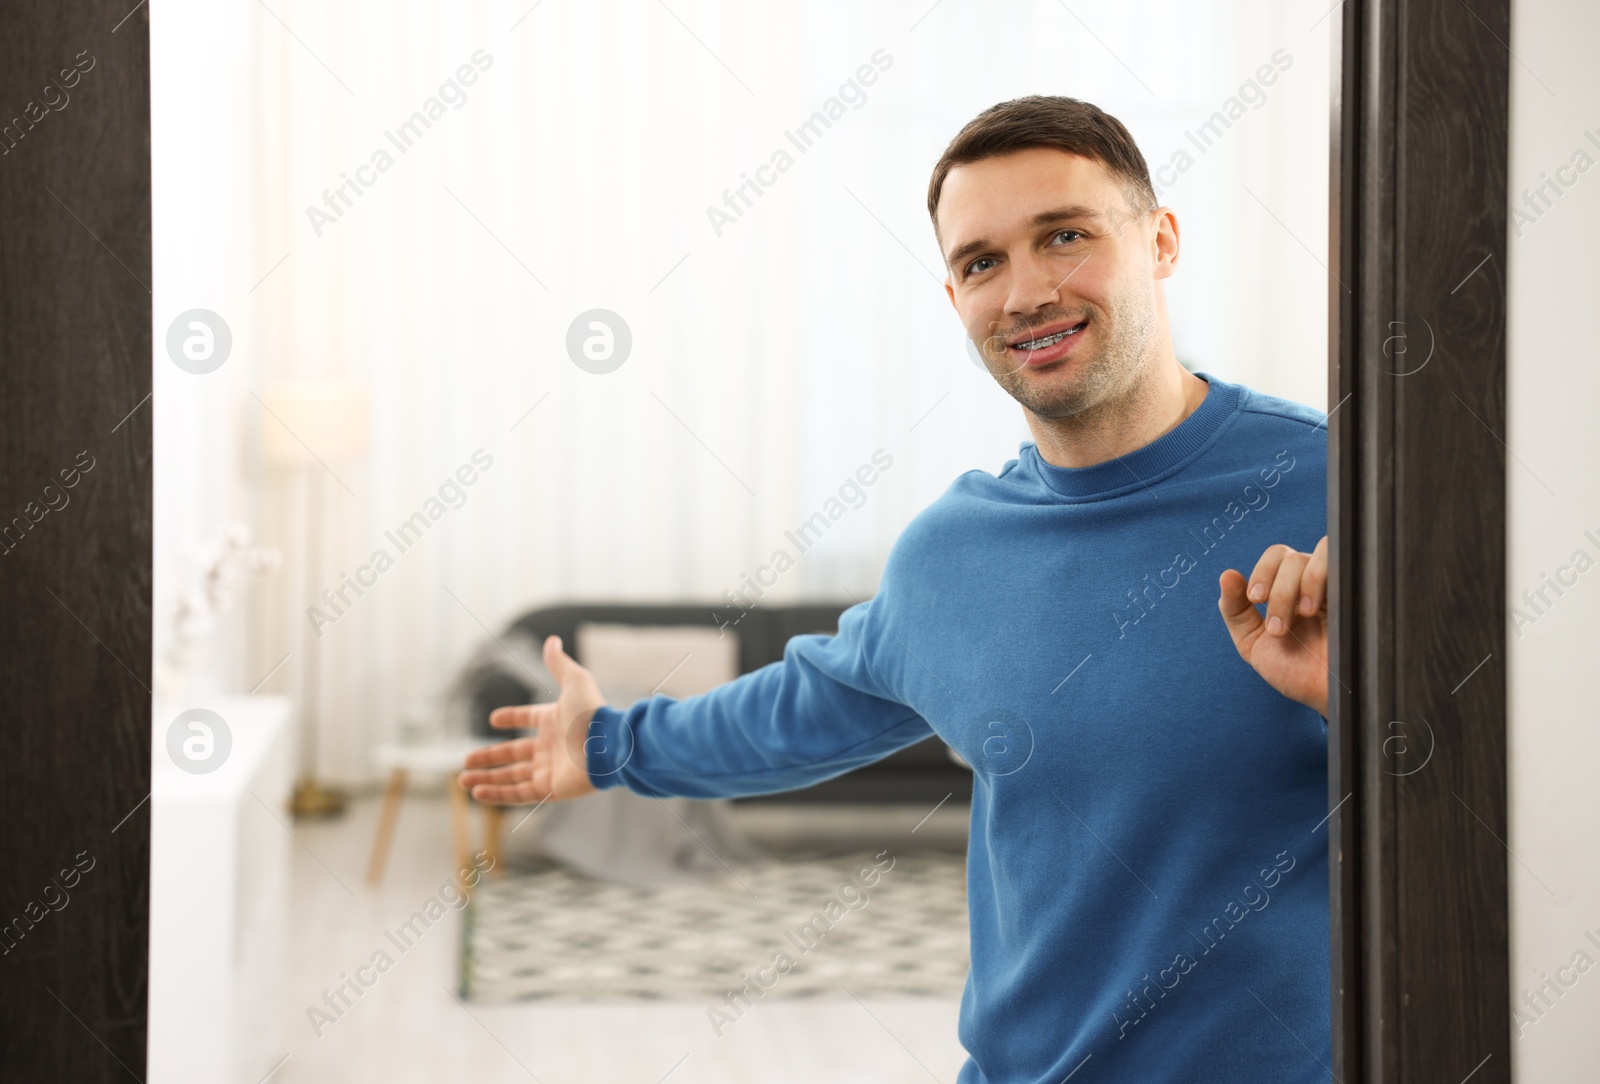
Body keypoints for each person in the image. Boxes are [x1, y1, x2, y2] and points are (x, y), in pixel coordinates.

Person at [459, 95, 1332, 1083]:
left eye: (1065, 236)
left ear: (1160, 240)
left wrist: (1358, 697)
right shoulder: (952, 555)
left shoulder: (1336, 489)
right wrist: (611, 744)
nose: (1026, 291)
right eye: (981, 262)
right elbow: (801, 708)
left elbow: (1505, 776)